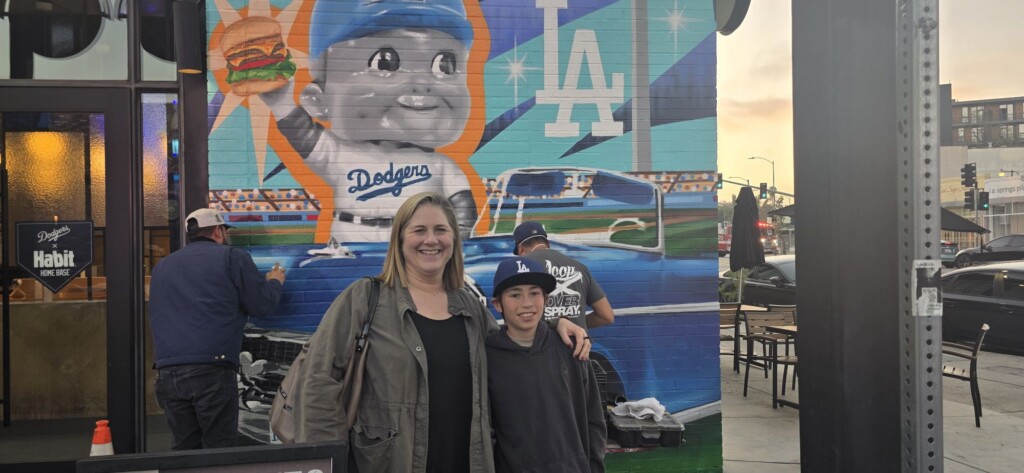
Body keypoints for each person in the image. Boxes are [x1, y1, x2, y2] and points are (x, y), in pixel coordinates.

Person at [295, 192, 590, 472]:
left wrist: (554, 323)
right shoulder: (364, 299)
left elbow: (510, 341)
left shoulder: (469, 306)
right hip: (388, 463)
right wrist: (326, 460)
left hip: (465, 462)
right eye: (419, 230)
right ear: (399, 239)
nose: (431, 240)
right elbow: (318, 381)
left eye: (440, 230)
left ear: (453, 239)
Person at [263, 0, 478, 243]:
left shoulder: (439, 165)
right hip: (352, 237)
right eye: (386, 62)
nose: (421, 83)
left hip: (413, 244)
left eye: (445, 65)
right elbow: (304, 135)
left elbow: (463, 209)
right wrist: (281, 103)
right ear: (317, 100)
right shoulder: (341, 153)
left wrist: (455, 244)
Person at [149, 208, 287, 449]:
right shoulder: (232, 257)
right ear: (218, 231)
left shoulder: (162, 266)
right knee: (219, 448)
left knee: (184, 448)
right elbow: (261, 304)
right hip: (210, 370)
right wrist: (275, 281)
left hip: (167, 373)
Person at [486, 257, 606, 473]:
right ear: (497, 304)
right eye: (515, 295)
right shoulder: (487, 358)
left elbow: (594, 418)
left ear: (546, 299)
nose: (526, 303)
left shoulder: (572, 347)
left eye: (534, 293)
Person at [513, 221, 615, 330]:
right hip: (577, 345)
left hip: (539, 345)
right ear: (547, 244)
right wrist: (574, 325)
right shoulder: (580, 267)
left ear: (520, 249)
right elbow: (606, 316)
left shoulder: (521, 267)